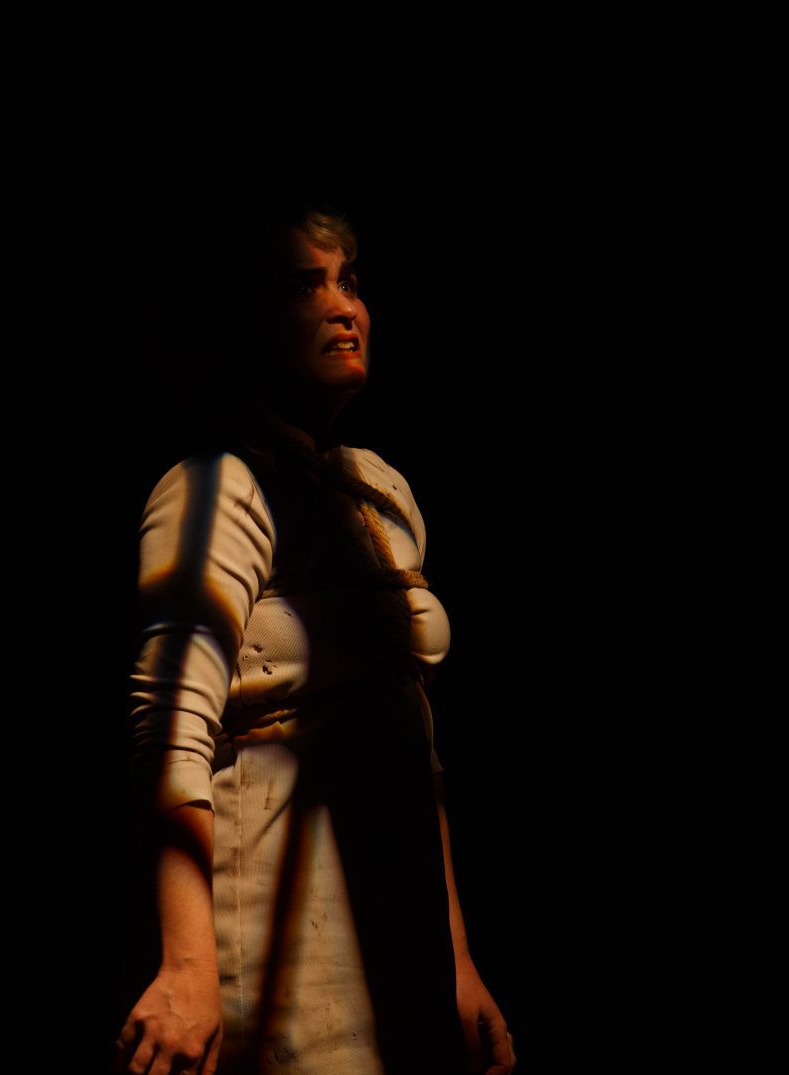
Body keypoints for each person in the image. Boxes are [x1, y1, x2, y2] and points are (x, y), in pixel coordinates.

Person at [113, 200, 516, 1075]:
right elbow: (170, 728)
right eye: (307, 287)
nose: (344, 308)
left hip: (397, 931)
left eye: (350, 282)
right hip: (279, 921)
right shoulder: (218, 487)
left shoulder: (382, 490)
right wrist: (187, 966)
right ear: (251, 320)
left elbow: (418, 747)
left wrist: (458, 962)